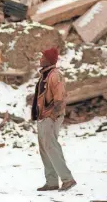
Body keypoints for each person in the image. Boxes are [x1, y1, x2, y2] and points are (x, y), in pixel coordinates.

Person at [31, 47, 76, 192]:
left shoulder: (55, 75)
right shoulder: (45, 75)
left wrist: (52, 115)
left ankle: (67, 179)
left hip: (50, 116)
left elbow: (60, 98)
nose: (40, 59)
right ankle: (51, 182)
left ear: (48, 60)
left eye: (43, 56)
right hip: (43, 117)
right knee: (45, 149)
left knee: (51, 147)